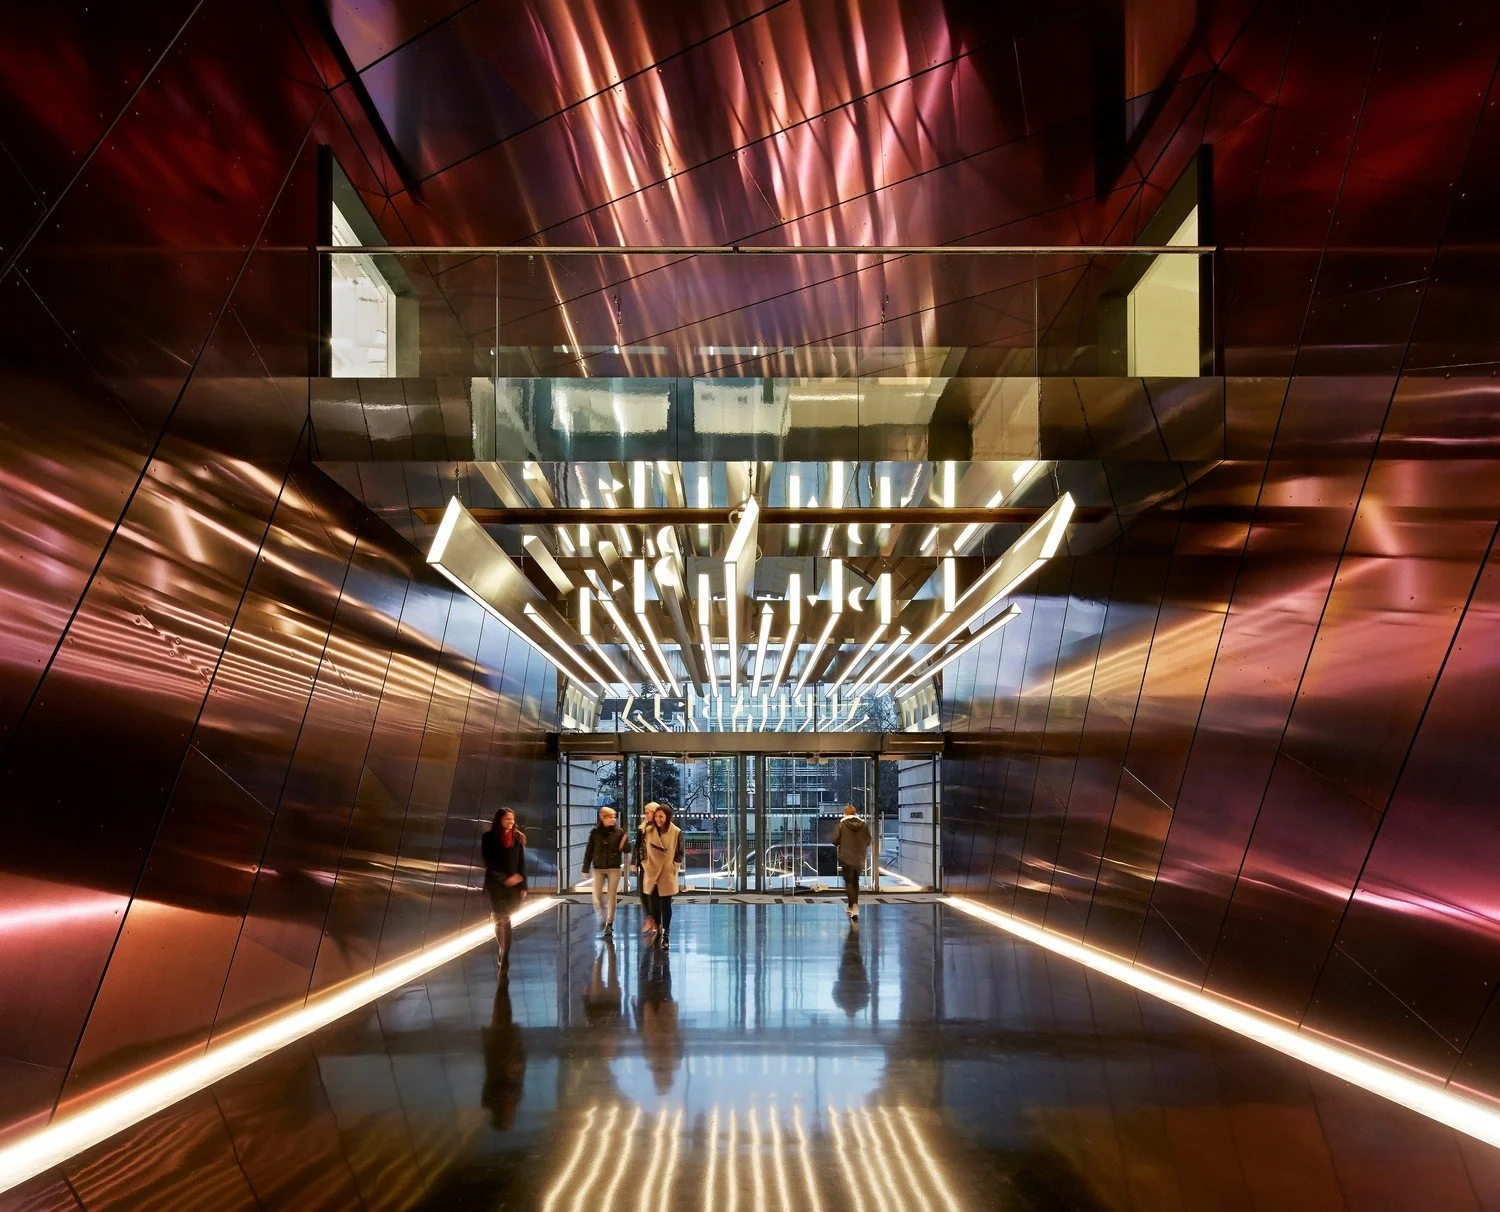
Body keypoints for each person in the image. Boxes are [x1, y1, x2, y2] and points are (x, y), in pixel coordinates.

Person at [482, 807, 527, 973]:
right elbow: (489, 863)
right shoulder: (489, 838)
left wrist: (523, 886)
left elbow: (521, 864)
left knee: (506, 918)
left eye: (512, 819)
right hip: (495, 885)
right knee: (498, 918)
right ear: (499, 820)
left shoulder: (517, 838)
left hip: (513, 886)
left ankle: (504, 955)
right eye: (508, 819)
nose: (511, 822)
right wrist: (504, 879)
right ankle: (502, 951)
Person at [638, 803, 684, 948]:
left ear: (667, 817)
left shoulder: (676, 832)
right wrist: (645, 864)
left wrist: (674, 866)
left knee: (666, 905)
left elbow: (680, 852)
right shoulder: (649, 830)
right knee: (654, 905)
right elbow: (642, 850)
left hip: (666, 873)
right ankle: (656, 929)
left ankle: (666, 935)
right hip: (652, 873)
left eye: (661, 816)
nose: (658, 819)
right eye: (656, 816)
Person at [581, 805, 626, 935]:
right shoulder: (595, 833)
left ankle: (609, 923)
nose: (614, 819)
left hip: (614, 868)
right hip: (598, 868)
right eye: (611, 817)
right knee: (597, 897)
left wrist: (624, 842)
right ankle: (602, 917)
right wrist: (585, 868)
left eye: (615, 817)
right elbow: (589, 850)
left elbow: (627, 849)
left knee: (612, 896)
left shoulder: (619, 832)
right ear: (602, 817)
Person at [831, 803, 872, 921]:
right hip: (859, 858)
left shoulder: (841, 825)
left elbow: (835, 840)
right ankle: (852, 906)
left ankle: (853, 905)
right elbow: (868, 841)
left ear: (845, 813)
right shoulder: (863, 825)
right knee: (855, 882)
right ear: (855, 813)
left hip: (846, 858)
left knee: (849, 882)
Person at [629, 805, 658, 936]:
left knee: (654, 895)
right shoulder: (642, 829)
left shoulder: (661, 828)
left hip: (657, 866)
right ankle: (651, 917)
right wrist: (634, 862)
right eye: (645, 812)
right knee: (643, 893)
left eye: (648, 813)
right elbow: (637, 846)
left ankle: (655, 920)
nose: (646, 815)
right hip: (644, 865)